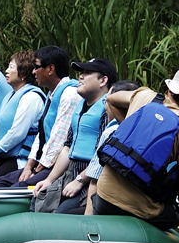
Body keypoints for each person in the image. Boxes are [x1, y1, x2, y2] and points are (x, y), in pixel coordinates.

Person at [92, 66, 179, 243]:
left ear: (170, 89)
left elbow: (111, 98)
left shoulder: (144, 96)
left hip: (103, 197)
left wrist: (129, 127)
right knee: (175, 218)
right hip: (139, 209)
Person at [31, 57, 117, 212]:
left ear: (103, 80)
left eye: (87, 72)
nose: (81, 76)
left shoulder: (108, 109)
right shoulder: (80, 106)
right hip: (71, 171)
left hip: (93, 178)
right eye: (81, 72)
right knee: (39, 200)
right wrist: (49, 180)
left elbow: (103, 154)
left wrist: (80, 181)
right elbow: (67, 147)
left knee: (63, 212)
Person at [56, 80, 137, 214]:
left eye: (107, 101)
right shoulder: (139, 129)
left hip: (107, 198)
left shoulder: (112, 131)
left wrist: (89, 219)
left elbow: (95, 179)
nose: (104, 106)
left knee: (63, 213)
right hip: (130, 201)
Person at [11, 45, 80, 188]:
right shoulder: (51, 94)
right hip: (42, 161)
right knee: (0, 182)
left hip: (56, 165)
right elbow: (41, 133)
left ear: (50, 69)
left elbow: (59, 138)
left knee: (18, 187)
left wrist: (37, 169)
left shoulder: (69, 94)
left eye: (36, 67)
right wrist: (29, 166)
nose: (33, 72)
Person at [0, 50, 44, 188]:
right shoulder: (9, 96)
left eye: (11, 67)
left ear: (24, 73)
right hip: (1, 155)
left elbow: (18, 132)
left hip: (18, 159)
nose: (6, 71)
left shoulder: (32, 97)